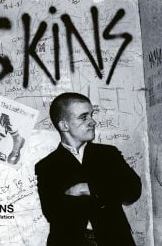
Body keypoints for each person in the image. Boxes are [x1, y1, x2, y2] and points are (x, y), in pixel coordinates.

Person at [35, 92, 142, 246]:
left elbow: (132, 190)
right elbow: (53, 213)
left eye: (91, 115)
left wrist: (88, 188)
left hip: (115, 239)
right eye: (83, 117)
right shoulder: (47, 166)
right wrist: (107, 192)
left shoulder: (108, 154)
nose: (93, 122)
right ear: (64, 125)